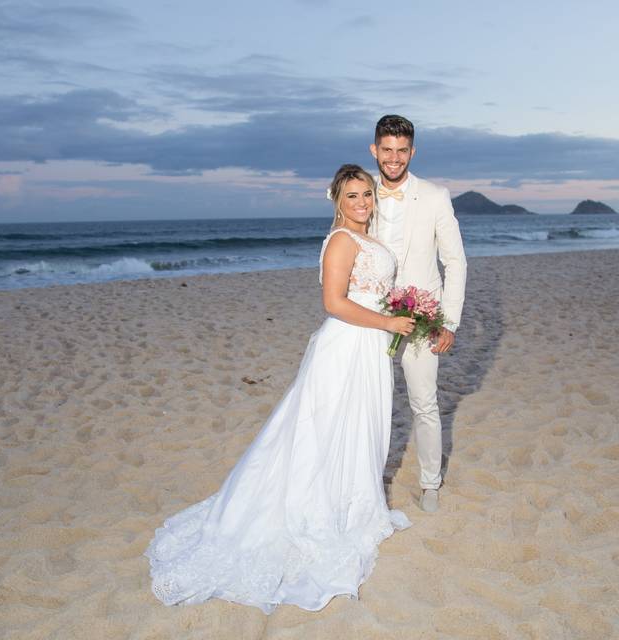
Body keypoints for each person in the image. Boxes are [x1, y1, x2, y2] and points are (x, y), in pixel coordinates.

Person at [144, 164, 415, 613]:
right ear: (337, 202)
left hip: (370, 348)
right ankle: (316, 512)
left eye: (367, 194)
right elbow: (333, 302)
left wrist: (396, 317)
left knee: (358, 428)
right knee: (324, 429)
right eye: (352, 197)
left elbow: (371, 291)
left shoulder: (370, 239)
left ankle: (355, 503)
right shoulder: (342, 241)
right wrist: (388, 320)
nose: (362, 203)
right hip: (346, 346)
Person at [371, 115, 467, 513]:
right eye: (387, 150)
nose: (394, 159)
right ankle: (368, 482)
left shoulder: (434, 195)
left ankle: (430, 483)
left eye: (402, 151)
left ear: (412, 152)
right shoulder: (359, 192)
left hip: (422, 316)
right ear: (374, 150)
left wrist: (449, 321)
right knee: (369, 402)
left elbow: (455, 261)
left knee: (423, 403)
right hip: (371, 317)